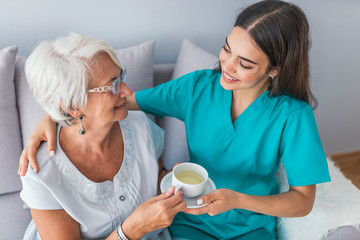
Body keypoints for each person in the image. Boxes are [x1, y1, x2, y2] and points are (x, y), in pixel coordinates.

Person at [19, 1, 331, 239]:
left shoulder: (293, 116)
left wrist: (238, 200)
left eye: (245, 63)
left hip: (250, 227)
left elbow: (303, 201)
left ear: (274, 69)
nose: (227, 65)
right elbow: (114, 102)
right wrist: (55, 117)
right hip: (188, 221)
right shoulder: (196, 88)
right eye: (226, 49)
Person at [19, 33, 185, 240]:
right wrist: (132, 229)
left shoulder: (140, 124)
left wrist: (170, 181)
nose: (127, 90)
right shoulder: (40, 172)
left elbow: (154, 176)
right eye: (113, 85)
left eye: (121, 77)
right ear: (72, 105)